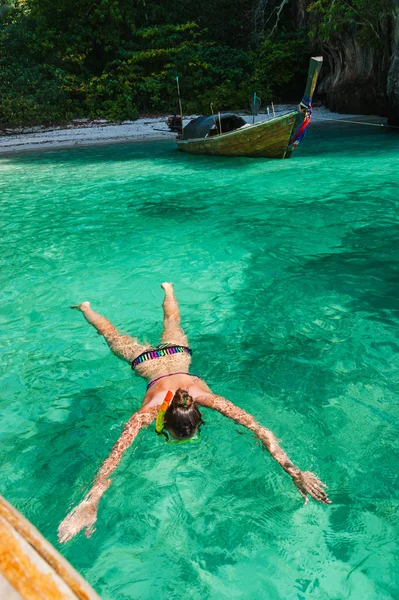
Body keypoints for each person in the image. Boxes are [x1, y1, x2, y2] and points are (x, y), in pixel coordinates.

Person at [58, 282, 330, 543]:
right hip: (157, 360)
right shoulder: (187, 402)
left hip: (171, 357)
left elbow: (115, 457)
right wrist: (292, 471)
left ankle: (86, 307)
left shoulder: (158, 409)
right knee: (149, 327)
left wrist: (93, 498)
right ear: (196, 416)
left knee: (124, 331)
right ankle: (163, 290)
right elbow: (261, 431)